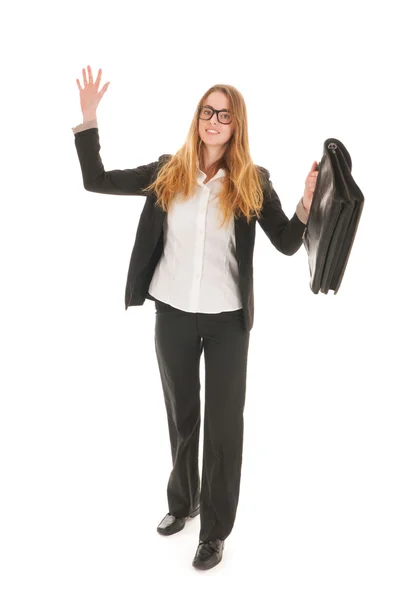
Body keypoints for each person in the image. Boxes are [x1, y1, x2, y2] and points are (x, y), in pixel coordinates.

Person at [72, 65, 318, 571]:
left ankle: (214, 533)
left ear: (236, 125)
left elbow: (289, 244)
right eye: (208, 111)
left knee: (224, 427)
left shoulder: (252, 180)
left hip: (228, 322)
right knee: (184, 416)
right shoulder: (171, 170)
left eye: (223, 115)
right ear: (198, 117)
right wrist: (89, 121)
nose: (213, 120)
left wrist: (306, 204)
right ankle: (183, 504)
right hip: (173, 316)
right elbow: (96, 181)